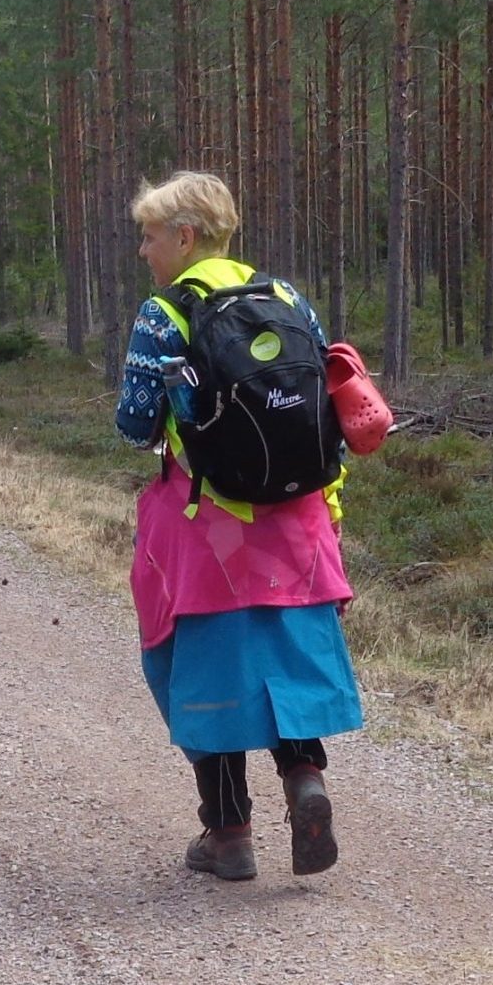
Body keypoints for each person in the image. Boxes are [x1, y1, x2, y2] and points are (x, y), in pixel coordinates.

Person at [114, 171, 359, 882]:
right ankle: (306, 779)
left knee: (207, 669)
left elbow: (134, 426)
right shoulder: (286, 299)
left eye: (150, 236)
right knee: (287, 657)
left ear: (185, 237)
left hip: (210, 523)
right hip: (299, 520)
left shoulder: (166, 313)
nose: (143, 251)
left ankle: (229, 835)